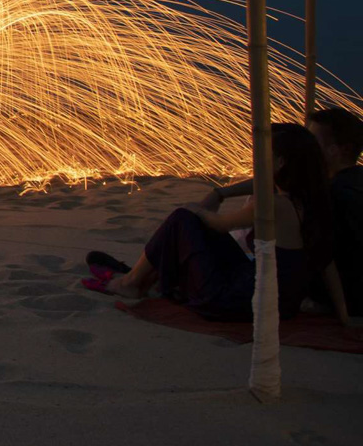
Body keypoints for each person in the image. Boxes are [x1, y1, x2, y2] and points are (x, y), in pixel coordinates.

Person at [85, 124, 342, 324]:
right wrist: (343, 315)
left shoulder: (273, 206)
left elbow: (219, 224)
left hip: (236, 302)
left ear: (281, 163)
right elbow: (328, 263)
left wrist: (196, 209)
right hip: (281, 305)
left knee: (182, 218)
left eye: (263, 153)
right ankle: (141, 278)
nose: (255, 159)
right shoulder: (312, 201)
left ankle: (130, 284)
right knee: (191, 224)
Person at [200, 106, 363, 321]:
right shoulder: (348, 181)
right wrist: (223, 192)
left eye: (313, 142)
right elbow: (281, 181)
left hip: (332, 293)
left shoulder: (327, 195)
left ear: (341, 149)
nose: (304, 148)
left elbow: (327, 258)